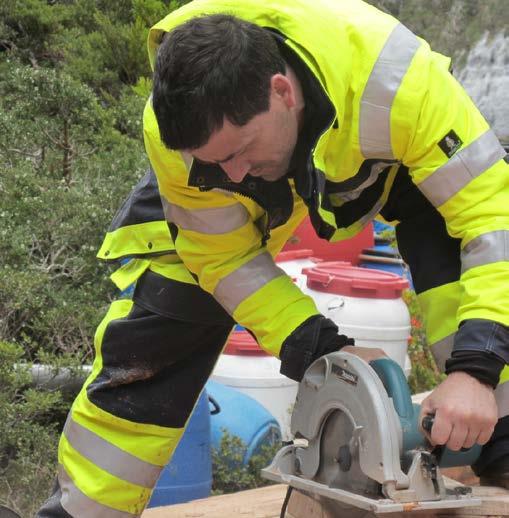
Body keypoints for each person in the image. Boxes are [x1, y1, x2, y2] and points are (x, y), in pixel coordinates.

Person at [38, 0, 509, 515]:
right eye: (216, 161)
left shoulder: (398, 82)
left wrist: (477, 370)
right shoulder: (184, 139)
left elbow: (492, 215)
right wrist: (320, 349)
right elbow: (223, 259)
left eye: (239, 151)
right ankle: (82, 509)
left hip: (383, 157)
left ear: (281, 93)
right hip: (249, 181)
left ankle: (501, 433)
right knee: (165, 319)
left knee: (469, 259)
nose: (234, 175)